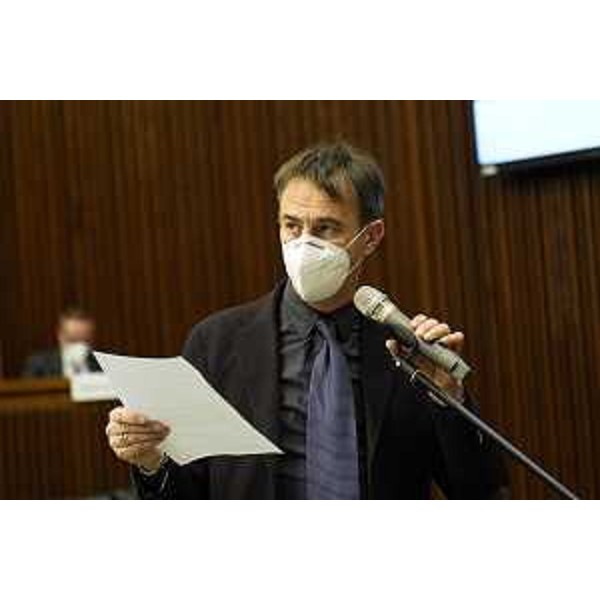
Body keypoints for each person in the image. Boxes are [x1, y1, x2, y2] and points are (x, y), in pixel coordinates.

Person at [106, 142, 508, 499]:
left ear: (371, 237)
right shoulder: (217, 343)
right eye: (291, 225)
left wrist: (447, 401)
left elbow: (479, 492)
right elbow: (185, 496)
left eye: (325, 228)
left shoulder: (408, 350)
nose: (304, 244)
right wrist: (150, 461)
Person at [22, 307, 100, 378]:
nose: (79, 346)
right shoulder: (39, 364)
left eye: (85, 341)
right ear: (60, 336)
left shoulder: (100, 363)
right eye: (73, 340)